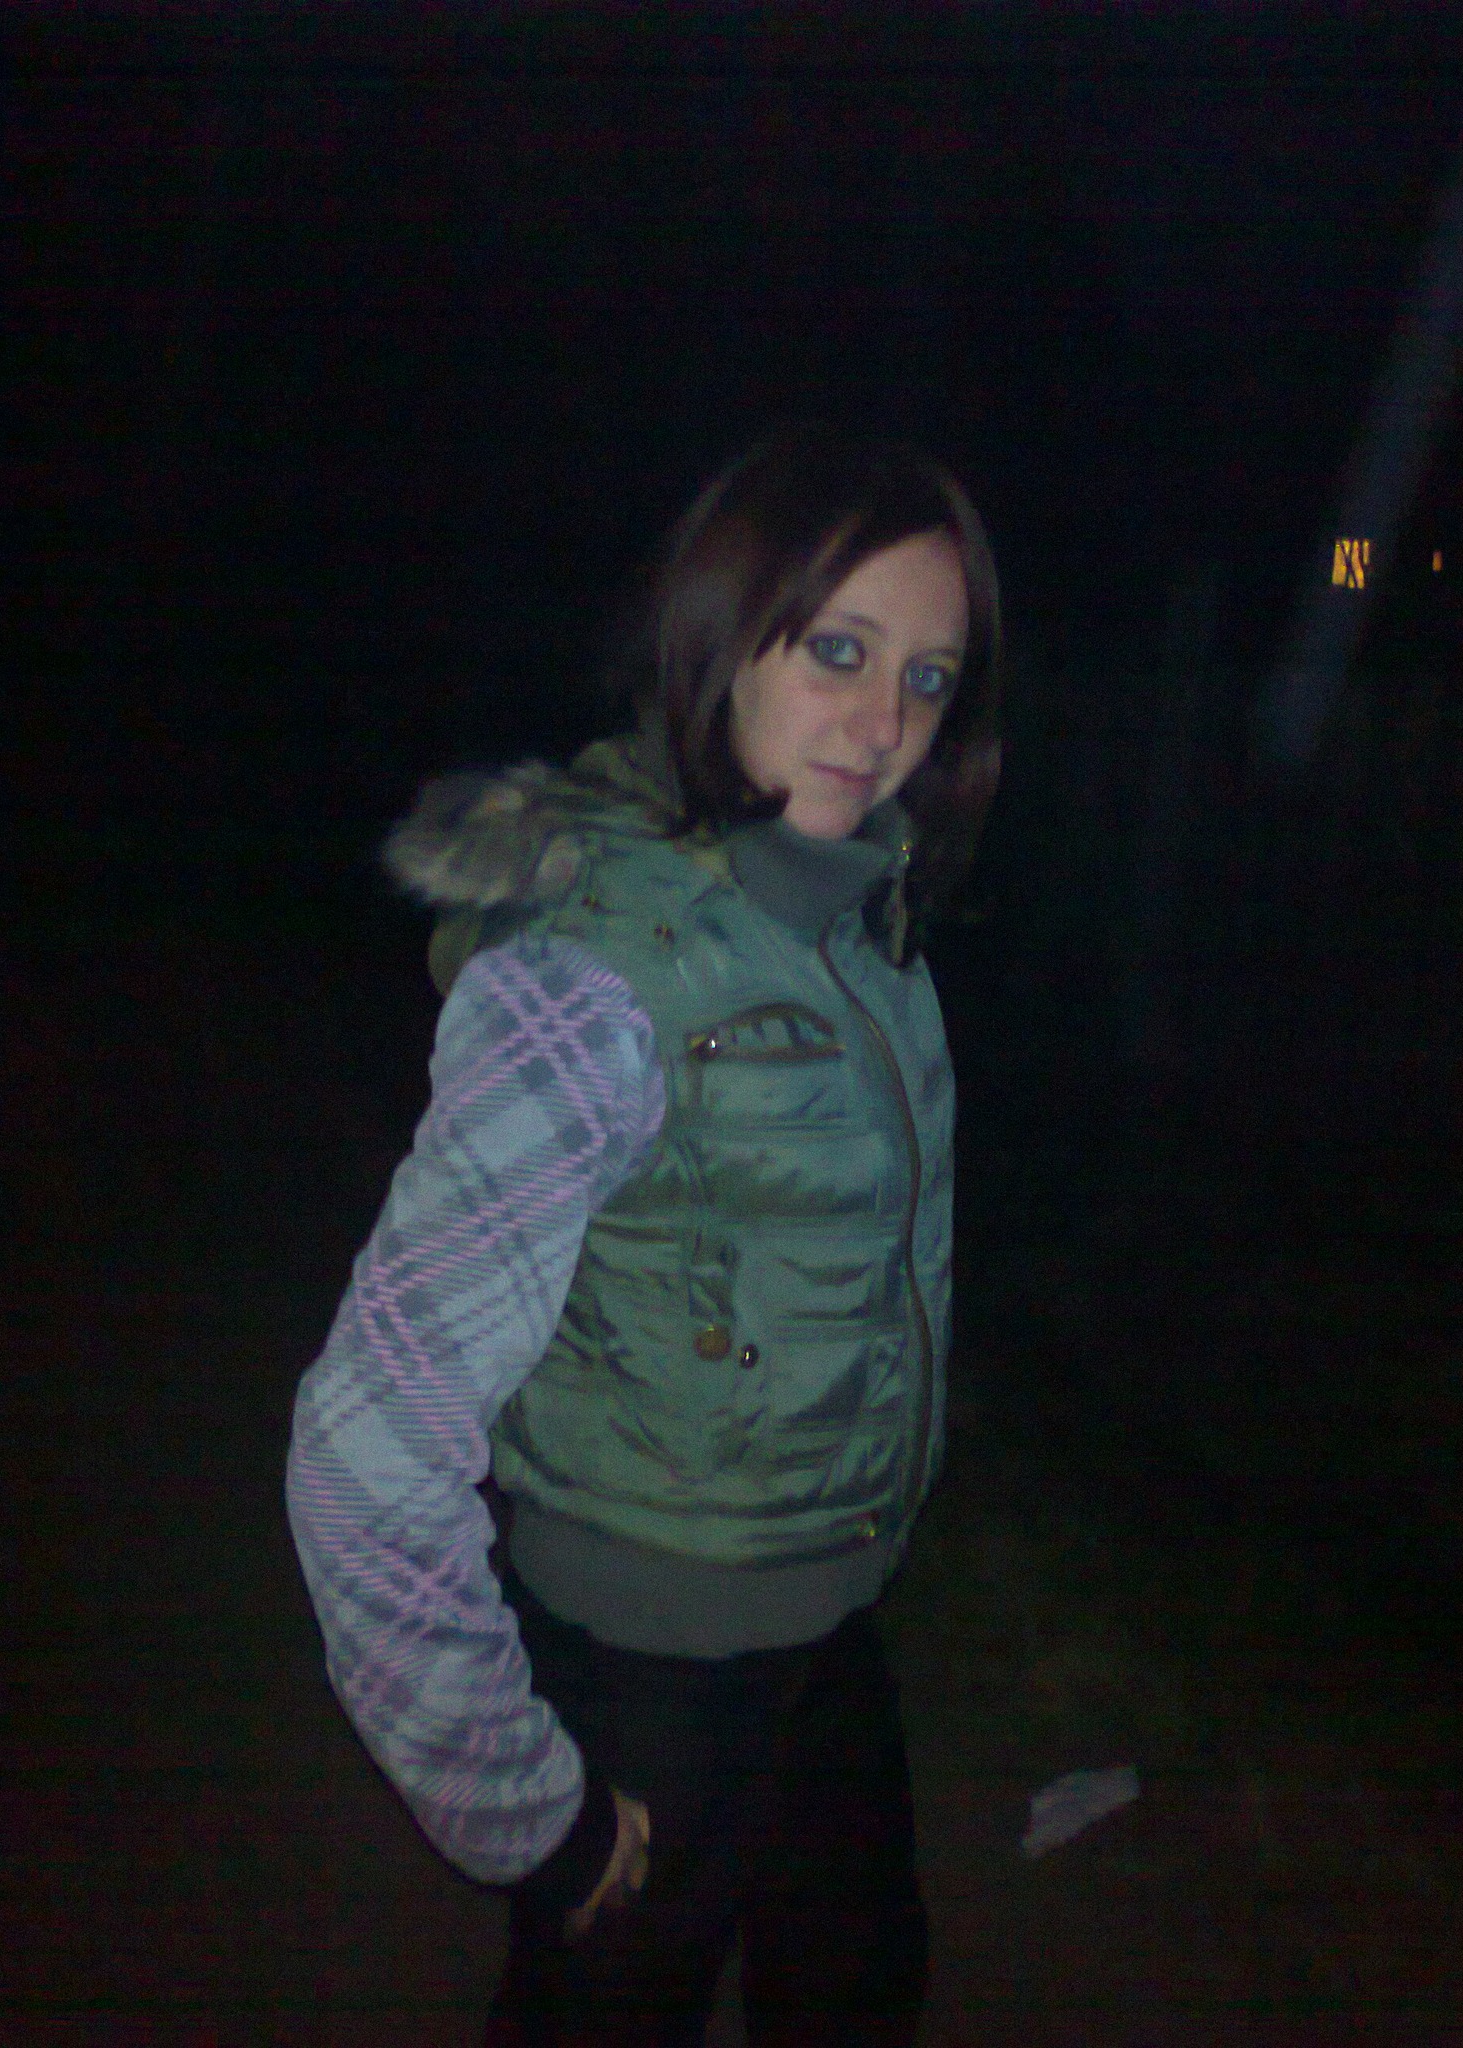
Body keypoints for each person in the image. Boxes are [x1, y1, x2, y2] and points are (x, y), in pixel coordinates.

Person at [286, 423, 1003, 2047]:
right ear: (725, 631)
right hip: (653, 1674)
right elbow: (364, 1451)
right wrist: (521, 1810)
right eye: (839, 650)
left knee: (861, 1983)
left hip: (828, 1620)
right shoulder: (597, 976)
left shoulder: (851, 916)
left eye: (930, 677)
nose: (884, 722)